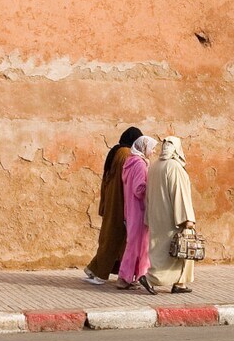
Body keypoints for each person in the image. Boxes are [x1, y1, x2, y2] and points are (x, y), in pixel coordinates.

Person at [84, 126, 143, 285]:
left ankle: (94, 269)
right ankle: (100, 274)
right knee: (114, 240)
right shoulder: (125, 154)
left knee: (110, 239)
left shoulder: (117, 152)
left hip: (112, 203)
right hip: (120, 204)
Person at [145, 135, 198, 294]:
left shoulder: (154, 166)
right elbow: (179, 194)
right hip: (172, 217)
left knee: (158, 250)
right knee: (180, 250)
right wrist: (187, 218)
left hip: (156, 215)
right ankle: (150, 278)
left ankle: (180, 283)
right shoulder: (174, 167)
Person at [116, 134, 157, 289]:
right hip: (139, 210)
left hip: (131, 210)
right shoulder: (139, 164)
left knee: (135, 244)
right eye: (152, 148)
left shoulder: (130, 162)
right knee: (136, 245)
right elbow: (139, 189)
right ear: (144, 148)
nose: (153, 152)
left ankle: (133, 276)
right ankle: (125, 277)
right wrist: (152, 186)